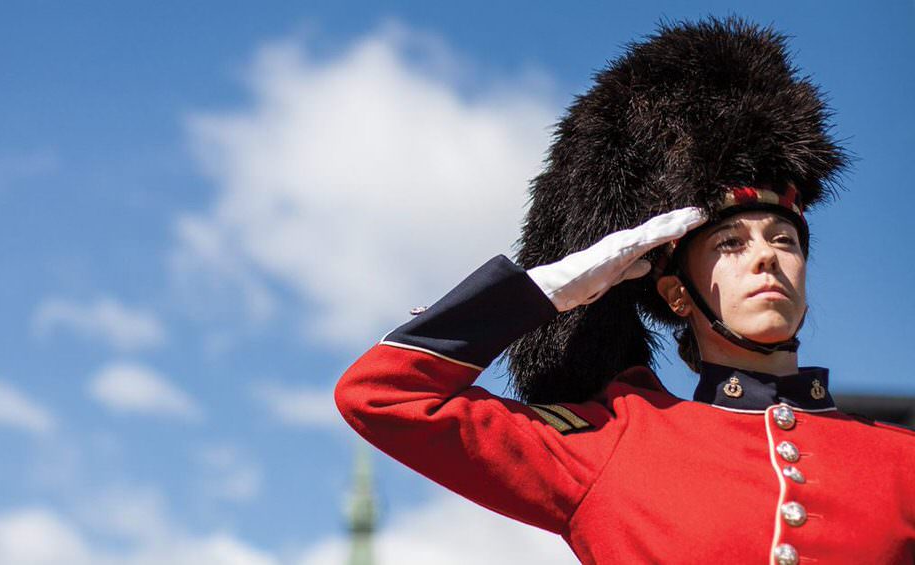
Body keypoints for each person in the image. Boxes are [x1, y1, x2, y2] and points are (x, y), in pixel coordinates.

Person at [334, 17, 915, 565]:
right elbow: (380, 398)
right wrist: (550, 289)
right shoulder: (612, 442)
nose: (766, 255)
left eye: (785, 240)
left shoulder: (901, 459)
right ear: (677, 295)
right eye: (731, 243)